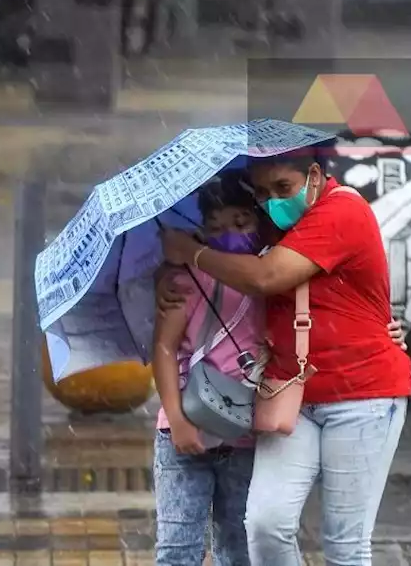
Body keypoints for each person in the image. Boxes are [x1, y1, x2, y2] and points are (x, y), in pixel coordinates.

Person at [159, 146, 411, 566]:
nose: (273, 200)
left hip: (362, 395)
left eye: (284, 187)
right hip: (290, 396)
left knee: (345, 545)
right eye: (262, 192)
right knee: (264, 524)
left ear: (314, 176)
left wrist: (191, 254)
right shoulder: (269, 226)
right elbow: (226, 258)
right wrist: (165, 277)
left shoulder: (341, 211)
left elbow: (265, 277)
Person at [152, 175, 263, 566]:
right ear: (201, 230)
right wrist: (178, 420)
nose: (230, 234)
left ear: (259, 219)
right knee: (178, 549)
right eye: (216, 228)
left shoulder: (273, 279)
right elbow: (163, 347)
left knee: (240, 548)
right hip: (185, 428)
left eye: (242, 221)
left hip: (247, 433)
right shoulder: (187, 278)